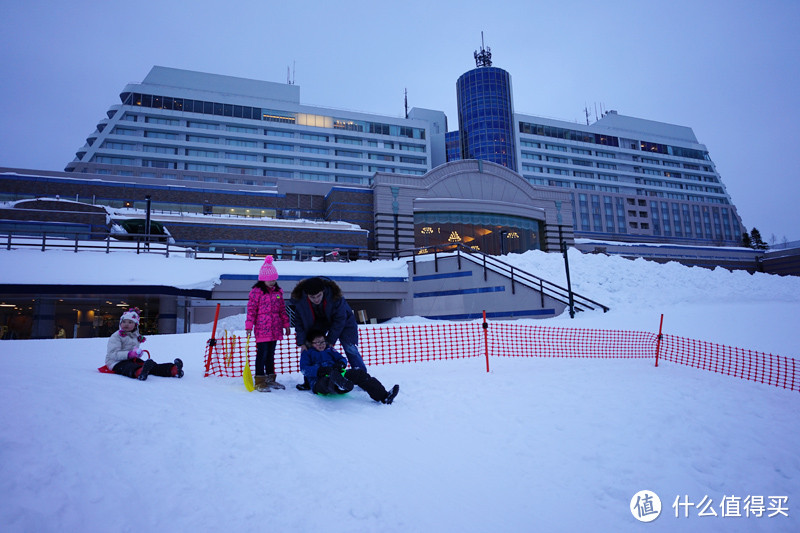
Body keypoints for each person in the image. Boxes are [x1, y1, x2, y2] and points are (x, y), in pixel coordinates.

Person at [290, 276, 365, 391]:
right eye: (312, 297)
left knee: (350, 349)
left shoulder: (335, 297)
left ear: (323, 291)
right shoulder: (301, 301)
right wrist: (302, 343)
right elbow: (299, 323)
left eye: (318, 295)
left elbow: (340, 320)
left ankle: (362, 376)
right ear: (306, 295)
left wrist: (330, 341)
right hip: (318, 324)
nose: (316, 299)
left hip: (344, 322)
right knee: (309, 347)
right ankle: (310, 380)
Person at [299, 327, 399, 404]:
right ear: (311, 344)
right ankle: (339, 385)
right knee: (328, 381)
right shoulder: (307, 353)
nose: (321, 344)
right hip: (319, 382)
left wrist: (341, 364)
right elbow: (304, 369)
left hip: (337, 374)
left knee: (359, 373)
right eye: (317, 342)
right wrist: (320, 370)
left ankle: (383, 396)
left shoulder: (329, 350)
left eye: (323, 341)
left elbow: (341, 358)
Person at [245, 255, 291, 392]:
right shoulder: (256, 292)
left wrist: (286, 324)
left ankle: (271, 379)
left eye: (274, 279)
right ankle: (260, 380)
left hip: (275, 328)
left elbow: (282, 309)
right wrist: (249, 326)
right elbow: (251, 310)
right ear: (263, 279)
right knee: (262, 354)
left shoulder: (278, 292)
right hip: (262, 328)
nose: (272, 282)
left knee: (271, 354)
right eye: (270, 279)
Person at [105, 307, 183, 380]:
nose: (126, 324)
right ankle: (139, 373)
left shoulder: (135, 336)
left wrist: (137, 353)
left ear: (135, 325)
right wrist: (130, 354)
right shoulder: (116, 336)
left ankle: (172, 370)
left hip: (131, 359)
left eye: (130, 322)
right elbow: (113, 354)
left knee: (151, 365)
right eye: (124, 322)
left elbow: (133, 349)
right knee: (128, 367)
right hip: (115, 362)